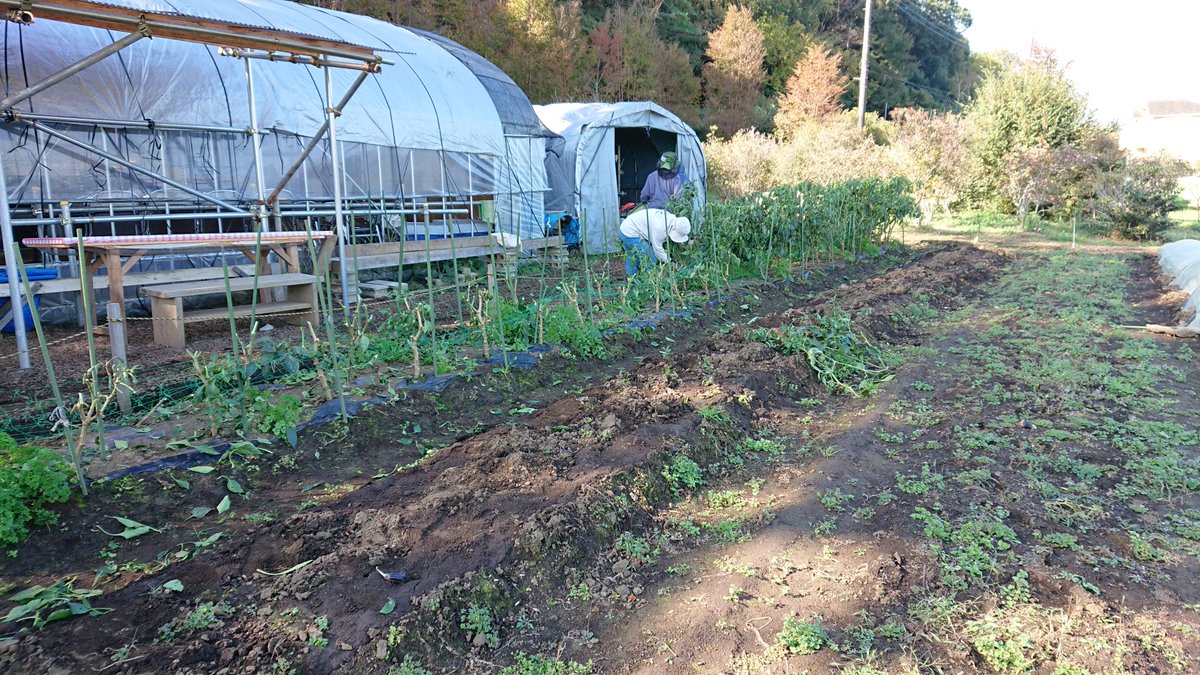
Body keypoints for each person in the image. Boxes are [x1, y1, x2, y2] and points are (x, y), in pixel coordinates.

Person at [618, 207, 691, 276]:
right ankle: (650, 280)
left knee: (632, 256)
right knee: (650, 258)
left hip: (626, 227)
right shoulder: (660, 228)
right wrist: (670, 262)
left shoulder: (670, 218)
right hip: (630, 232)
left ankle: (631, 278)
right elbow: (657, 250)